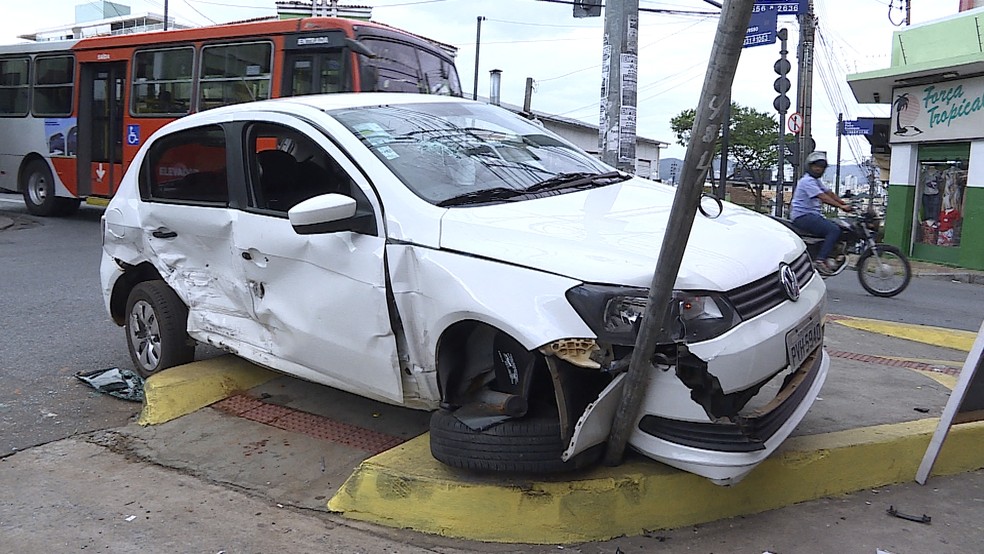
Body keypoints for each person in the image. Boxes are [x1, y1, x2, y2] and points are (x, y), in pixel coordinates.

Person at [790, 151, 853, 274]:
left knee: (839, 227)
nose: (819, 169)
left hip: (812, 215)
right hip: (802, 216)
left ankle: (832, 254)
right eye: (816, 166)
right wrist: (841, 207)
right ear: (809, 166)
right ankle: (820, 260)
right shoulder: (807, 181)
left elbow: (829, 193)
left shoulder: (815, 181)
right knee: (833, 230)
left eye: (822, 167)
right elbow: (823, 197)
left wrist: (843, 202)